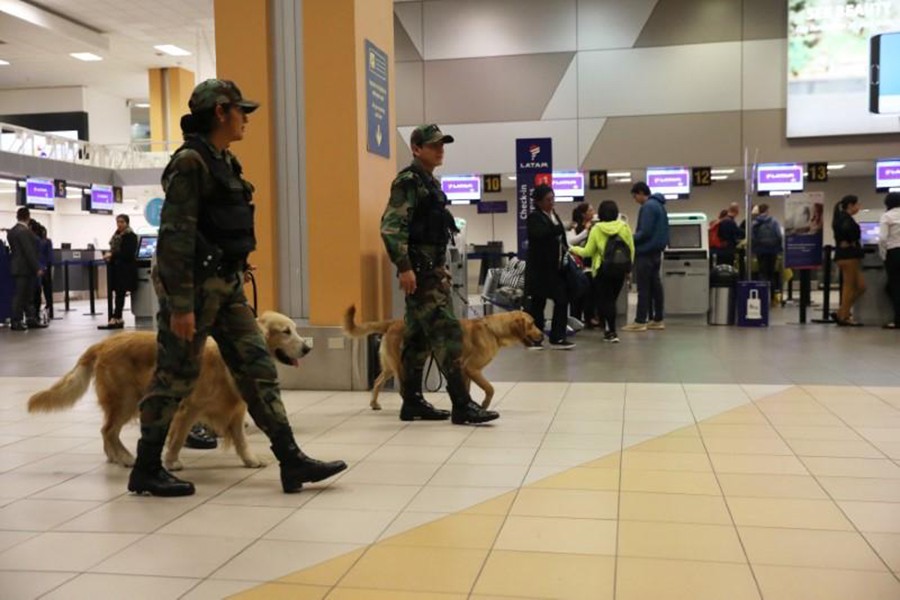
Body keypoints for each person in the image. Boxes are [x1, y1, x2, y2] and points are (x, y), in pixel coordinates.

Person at [127, 79, 347, 497]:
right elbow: (175, 238)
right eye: (240, 110)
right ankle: (147, 467)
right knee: (175, 376)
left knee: (258, 369)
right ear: (221, 112)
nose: (246, 118)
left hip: (226, 288)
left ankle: (291, 460)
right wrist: (180, 305)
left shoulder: (223, 160)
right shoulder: (191, 162)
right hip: (193, 291)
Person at [381, 123, 499, 424]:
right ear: (417, 149)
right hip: (419, 274)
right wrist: (405, 267)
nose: (440, 149)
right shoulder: (408, 182)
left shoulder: (429, 183)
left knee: (418, 339)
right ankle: (462, 404)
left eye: (441, 144)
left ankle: (412, 403)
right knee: (448, 334)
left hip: (430, 271)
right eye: (433, 145)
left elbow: (431, 232)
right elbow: (392, 227)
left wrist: (439, 267)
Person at [569, 200, 634, 343]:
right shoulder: (624, 227)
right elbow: (631, 249)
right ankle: (610, 330)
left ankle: (610, 332)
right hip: (619, 270)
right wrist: (628, 269)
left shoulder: (597, 229)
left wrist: (571, 248)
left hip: (602, 270)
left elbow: (588, 251)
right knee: (612, 300)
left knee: (606, 301)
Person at [524, 184, 575, 349]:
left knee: (562, 300)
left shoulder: (554, 216)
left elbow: (560, 239)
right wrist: (561, 227)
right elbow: (541, 234)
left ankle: (558, 337)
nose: (552, 202)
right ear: (538, 202)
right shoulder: (534, 218)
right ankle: (535, 338)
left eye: (553, 199)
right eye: (548, 199)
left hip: (556, 268)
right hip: (539, 270)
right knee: (538, 304)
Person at [623, 182, 668, 332]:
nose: (635, 199)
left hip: (645, 253)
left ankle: (640, 321)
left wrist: (628, 239)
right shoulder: (660, 206)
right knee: (656, 286)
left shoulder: (648, 207)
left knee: (643, 288)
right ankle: (658, 319)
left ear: (641, 192)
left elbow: (645, 232)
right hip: (656, 252)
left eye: (635, 196)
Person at [6, 208, 46, 331]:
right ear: (28, 217)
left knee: (25, 295)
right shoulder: (24, 232)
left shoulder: (12, 231)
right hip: (25, 268)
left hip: (17, 267)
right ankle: (17, 321)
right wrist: (37, 267)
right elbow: (28, 251)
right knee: (22, 296)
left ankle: (30, 318)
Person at [831, 195, 866, 326]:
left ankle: (841, 312)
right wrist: (851, 241)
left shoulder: (840, 218)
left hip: (845, 255)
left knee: (861, 286)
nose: (859, 207)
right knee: (850, 287)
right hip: (848, 256)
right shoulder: (846, 219)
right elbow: (850, 235)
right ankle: (844, 317)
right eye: (857, 204)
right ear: (850, 205)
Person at [100, 214, 138, 329]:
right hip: (116, 269)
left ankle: (116, 317)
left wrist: (112, 254)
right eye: (118, 222)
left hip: (125, 270)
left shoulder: (131, 236)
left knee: (120, 294)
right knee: (117, 294)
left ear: (127, 222)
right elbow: (115, 249)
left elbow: (127, 254)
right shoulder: (116, 235)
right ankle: (117, 317)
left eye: (122, 222)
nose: (119, 224)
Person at [567, 202, 595, 327]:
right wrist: (586, 231)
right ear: (584, 214)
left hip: (591, 264)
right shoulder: (574, 226)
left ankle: (589, 317)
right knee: (578, 292)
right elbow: (571, 242)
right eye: (590, 210)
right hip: (577, 263)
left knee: (591, 293)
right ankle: (576, 318)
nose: (593, 212)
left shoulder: (596, 226)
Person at [751, 203, 783, 303]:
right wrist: (779, 248)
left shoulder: (755, 223)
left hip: (760, 251)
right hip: (772, 250)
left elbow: (752, 237)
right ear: (767, 210)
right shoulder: (774, 221)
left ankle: (762, 296)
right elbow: (779, 235)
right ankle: (772, 296)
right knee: (771, 274)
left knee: (762, 272)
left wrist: (754, 249)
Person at [879, 192, 900, 329]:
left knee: (895, 287)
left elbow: (882, 238)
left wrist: (883, 256)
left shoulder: (887, 216)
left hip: (895, 253)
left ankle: (898, 320)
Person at [29, 219, 53, 323]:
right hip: (45, 268)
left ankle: (35, 313)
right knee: (47, 289)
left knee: (36, 291)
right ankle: (49, 309)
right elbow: (50, 256)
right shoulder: (47, 241)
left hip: (37, 268)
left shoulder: (34, 241)